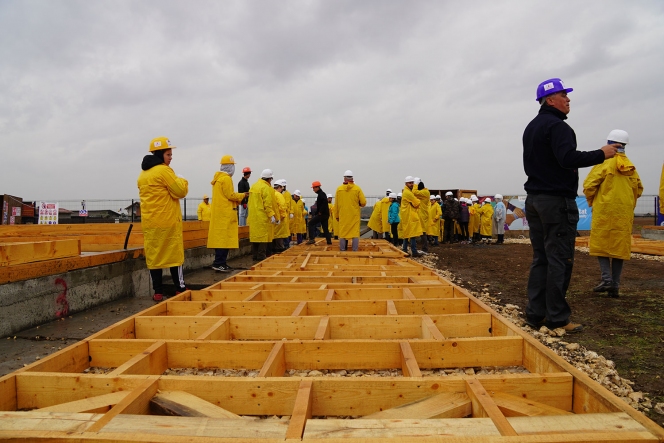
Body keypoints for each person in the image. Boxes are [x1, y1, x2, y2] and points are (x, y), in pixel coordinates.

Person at [523, 77, 619, 333]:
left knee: (541, 258)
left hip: (535, 200)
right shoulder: (559, 127)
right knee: (559, 259)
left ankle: (535, 314)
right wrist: (602, 154)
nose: (568, 99)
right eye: (564, 95)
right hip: (556, 202)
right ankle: (557, 318)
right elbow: (567, 159)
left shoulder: (532, 127)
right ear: (550, 100)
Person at [583, 130, 643, 298]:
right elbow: (638, 189)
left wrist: (593, 201)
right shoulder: (631, 167)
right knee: (619, 247)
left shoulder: (604, 163)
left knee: (601, 245)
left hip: (604, 210)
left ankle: (606, 279)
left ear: (609, 142)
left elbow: (589, 185)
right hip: (623, 213)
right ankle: (615, 285)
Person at [137, 136, 189, 302]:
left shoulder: (143, 175)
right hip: (167, 221)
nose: (171, 157)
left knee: (155, 258)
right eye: (168, 154)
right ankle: (180, 288)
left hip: (151, 224)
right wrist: (182, 180)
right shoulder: (164, 171)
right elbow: (180, 191)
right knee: (175, 255)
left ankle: (158, 292)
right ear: (160, 155)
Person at [207, 155, 247, 272]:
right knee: (224, 240)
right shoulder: (226, 179)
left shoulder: (218, 179)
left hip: (220, 213)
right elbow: (230, 195)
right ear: (230, 167)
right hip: (225, 213)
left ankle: (220, 262)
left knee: (221, 239)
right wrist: (243, 195)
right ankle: (219, 263)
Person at [333, 170, 367, 251]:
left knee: (343, 233)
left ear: (344, 178)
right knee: (355, 233)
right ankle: (354, 250)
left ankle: (342, 250)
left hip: (343, 215)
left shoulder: (339, 189)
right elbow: (363, 202)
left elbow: (336, 204)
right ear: (352, 178)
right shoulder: (357, 188)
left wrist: (337, 216)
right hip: (354, 215)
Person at [247, 169, 276, 262]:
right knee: (263, 238)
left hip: (253, 216)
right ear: (269, 179)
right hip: (262, 215)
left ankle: (254, 256)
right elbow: (267, 204)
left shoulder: (253, 186)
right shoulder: (265, 188)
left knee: (255, 237)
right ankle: (261, 257)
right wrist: (271, 215)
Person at [400, 176, 421, 256]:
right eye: (410, 183)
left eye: (412, 183)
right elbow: (416, 203)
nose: (411, 184)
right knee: (412, 234)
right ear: (406, 183)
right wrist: (418, 200)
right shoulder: (408, 193)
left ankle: (404, 250)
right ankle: (414, 252)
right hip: (409, 216)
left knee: (407, 234)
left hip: (407, 215)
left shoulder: (406, 192)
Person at [308, 181, 332, 245]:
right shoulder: (321, 194)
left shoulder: (321, 194)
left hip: (322, 215)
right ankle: (329, 242)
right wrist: (317, 212)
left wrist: (320, 212)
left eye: (314, 188)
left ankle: (311, 239)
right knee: (325, 228)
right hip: (325, 215)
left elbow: (324, 204)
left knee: (310, 223)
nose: (313, 190)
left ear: (317, 187)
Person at [272, 179, 289, 252]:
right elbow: (282, 207)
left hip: (273, 217)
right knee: (279, 235)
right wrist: (282, 217)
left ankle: (274, 249)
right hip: (279, 218)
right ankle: (279, 248)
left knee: (275, 234)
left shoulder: (272, 193)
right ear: (280, 187)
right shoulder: (279, 195)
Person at [413, 178, 430, 252]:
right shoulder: (424, 192)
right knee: (420, 231)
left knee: (423, 232)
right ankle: (422, 248)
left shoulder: (424, 192)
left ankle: (425, 249)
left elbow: (414, 192)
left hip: (422, 214)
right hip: (420, 213)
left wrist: (415, 184)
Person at [281, 180, 293, 249]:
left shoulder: (287, 194)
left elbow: (290, 204)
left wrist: (291, 212)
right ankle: (284, 244)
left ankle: (286, 245)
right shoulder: (279, 193)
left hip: (286, 213)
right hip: (282, 214)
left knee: (286, 230)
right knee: (282, 230)